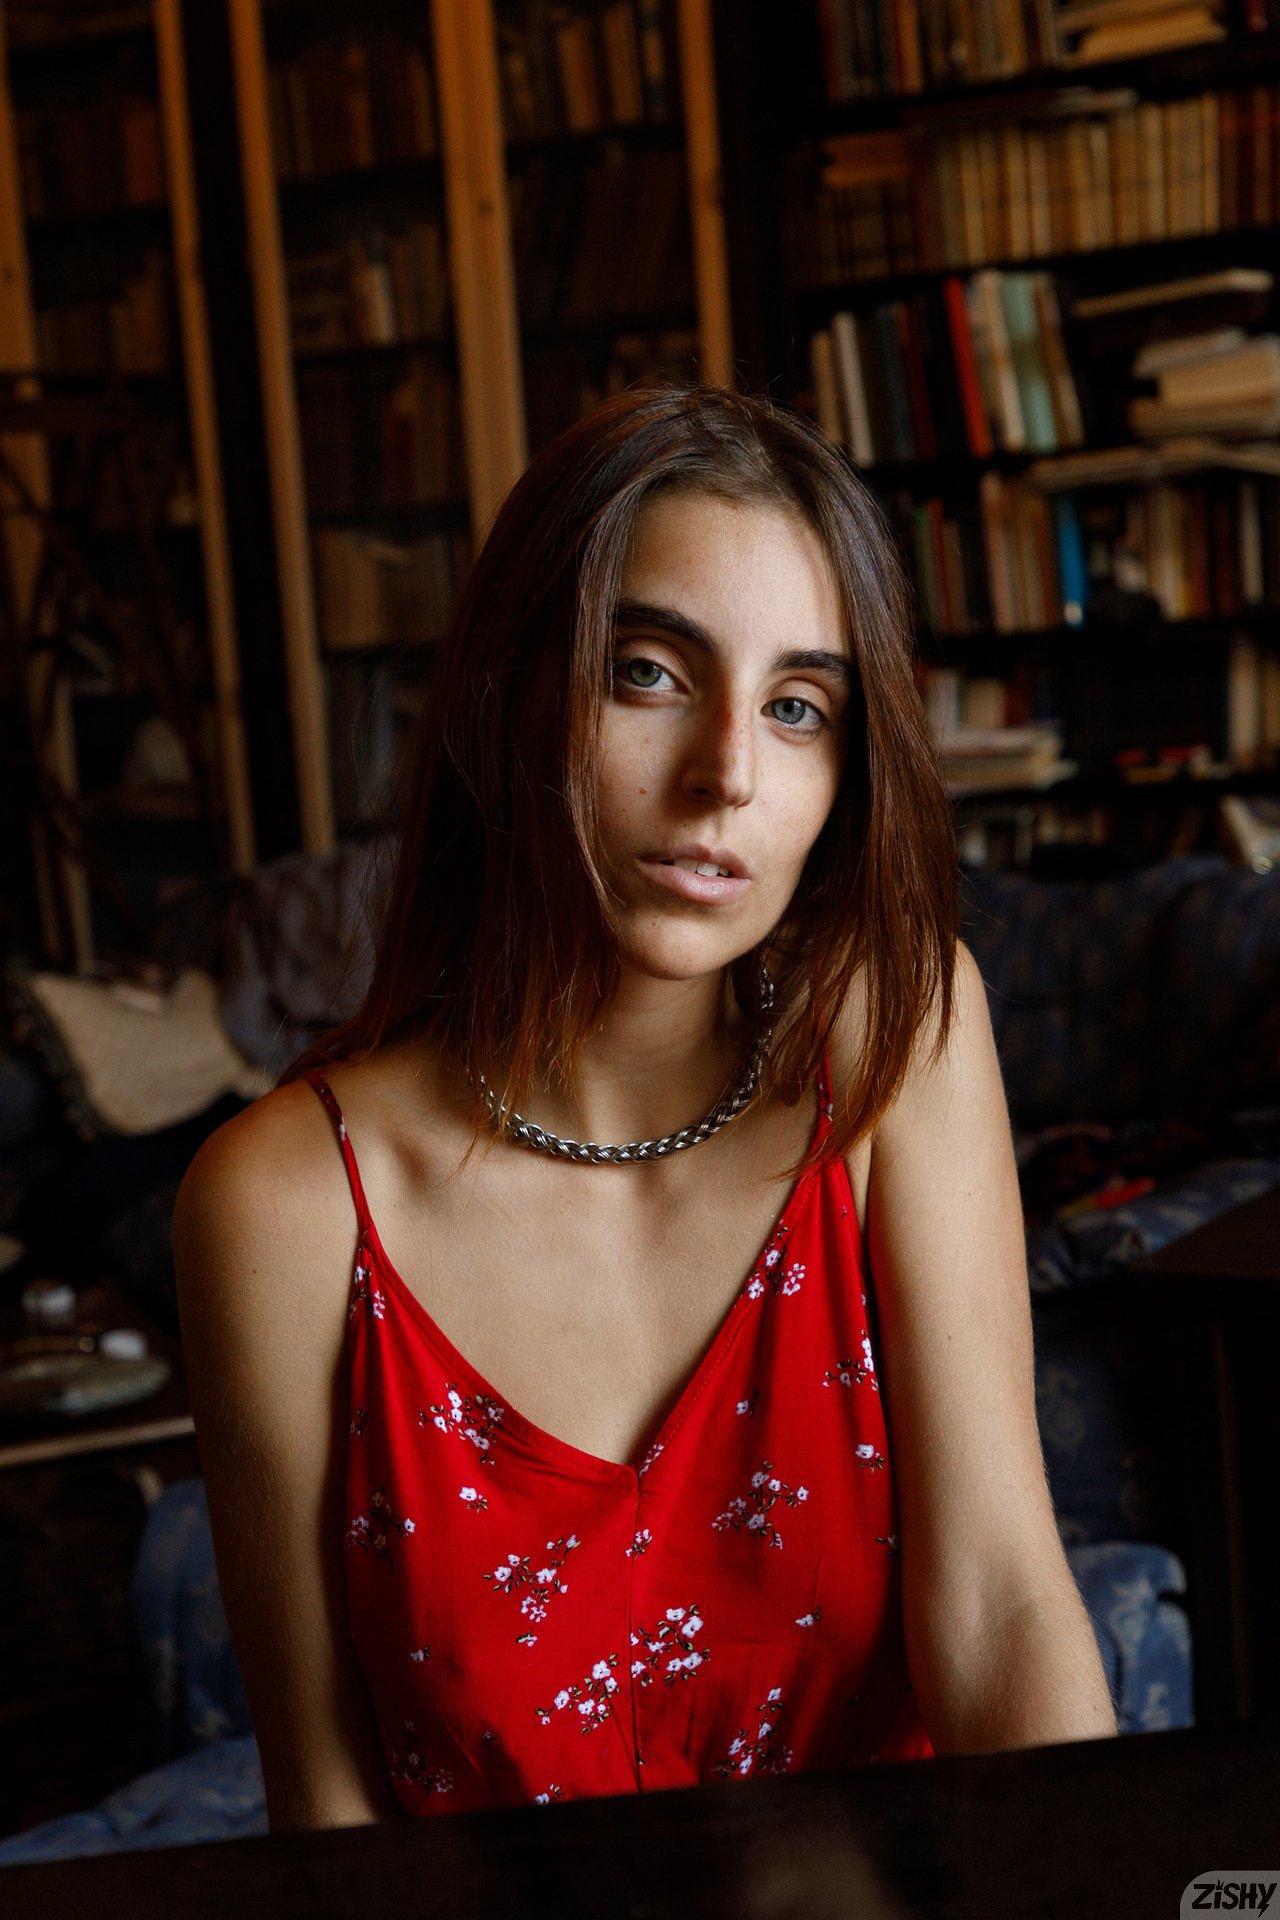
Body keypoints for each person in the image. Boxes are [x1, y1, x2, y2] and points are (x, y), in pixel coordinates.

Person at [174, 385, 1116, 1834]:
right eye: (649, 674)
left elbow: (1000, 1611)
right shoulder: (283, 1206)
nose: (726, 775)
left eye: (797, 708)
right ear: (509, 693)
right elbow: (327, 1802)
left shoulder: (891, 1043)